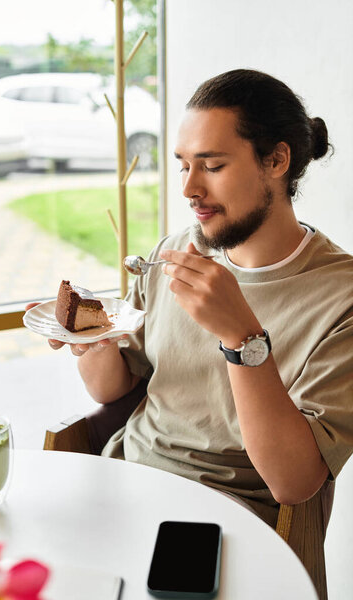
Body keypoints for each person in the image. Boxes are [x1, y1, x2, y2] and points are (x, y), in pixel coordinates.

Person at [40, 69, 353, 528]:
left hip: (229, 521)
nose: (189, 189)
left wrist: (241, 337)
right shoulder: (174, 254)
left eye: (212, 165)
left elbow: (295, 482)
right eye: (184, 165)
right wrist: (93, 338)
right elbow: (112, 389)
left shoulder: (340, 297)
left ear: (276, 160)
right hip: (124, 480)